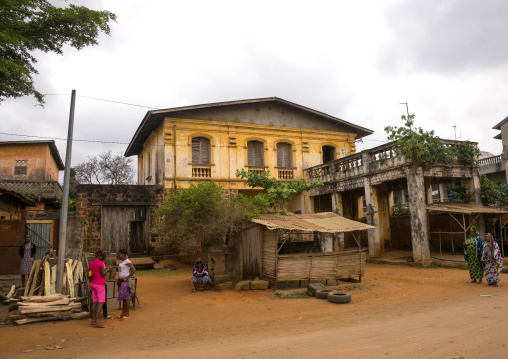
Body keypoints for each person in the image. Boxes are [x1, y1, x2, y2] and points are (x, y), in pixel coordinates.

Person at [89, 249, 111, 328]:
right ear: (101, 256)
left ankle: (93, 320)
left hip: (93, 283)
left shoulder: (91, 263)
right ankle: (98, 321)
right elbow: (102, 274)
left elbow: (90, 274)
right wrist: (107, 270)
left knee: (95, 302)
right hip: (100, 284)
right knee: (101, 302)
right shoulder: (101, 263)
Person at [117, 249, 136, 319]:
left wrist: (127, 278)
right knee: (124, 298)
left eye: (119, 255)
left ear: (123, 255)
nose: (118, 256)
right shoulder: (123, 262)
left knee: (126, 297)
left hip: (125, 281)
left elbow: (133, 269)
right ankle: (123, 313)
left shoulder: (127, 261)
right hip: (122, 281)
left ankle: (127, 314)